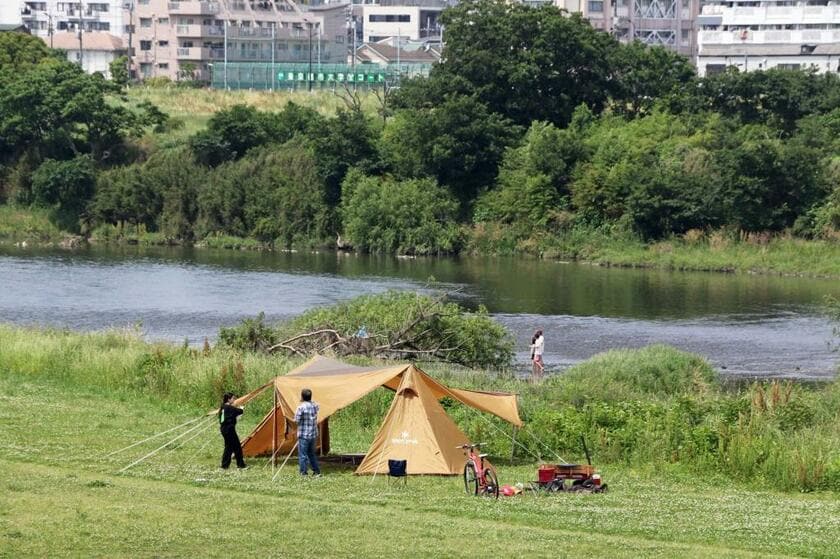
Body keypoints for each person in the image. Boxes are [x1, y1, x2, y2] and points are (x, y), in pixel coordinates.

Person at [295, 388, 321, 477]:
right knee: (311, 454)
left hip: (304, 435)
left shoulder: (300, 407)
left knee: (303, 455)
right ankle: (316, 471)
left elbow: (297, 420)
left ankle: (304, 473)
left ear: (302, 396)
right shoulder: (315, 406)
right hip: (313, 434)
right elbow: (316, 404)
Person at [218, 392, 247, 469]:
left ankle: (224, 465)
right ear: (228, 399)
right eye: (233, 398)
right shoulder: (229, 408)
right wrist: (241, 407)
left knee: (228, 447)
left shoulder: (223, 407)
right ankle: (240, 465)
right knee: (237, 447)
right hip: (229, 429)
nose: (234, 400)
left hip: (224, 429)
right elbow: (240, 411)